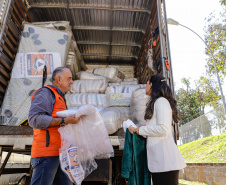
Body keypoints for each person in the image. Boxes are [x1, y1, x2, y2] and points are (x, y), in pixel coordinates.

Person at [28, 67, 84, 185]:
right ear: (59, 80)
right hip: (46, 154)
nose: (72, 82)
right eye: (69, 79)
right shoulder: (45, 93)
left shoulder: (60, 97)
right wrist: (64, 121)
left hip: (61, 154)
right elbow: (34, 119)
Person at [128, 74, 186, 185]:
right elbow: (154, 131)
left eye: (147, 83)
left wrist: (140, 130)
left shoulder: (161, 102)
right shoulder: (157, 103)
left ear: (151, 85)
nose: (145, 86)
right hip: (160, 163)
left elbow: (163, 129)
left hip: (166, 163)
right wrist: (136, 130)